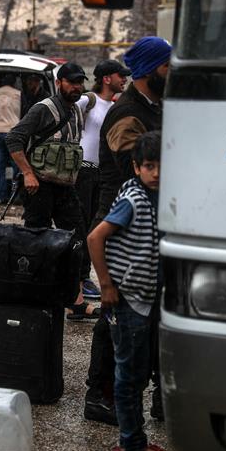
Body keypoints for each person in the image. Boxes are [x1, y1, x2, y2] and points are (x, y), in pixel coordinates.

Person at [83, 36, 171, 427]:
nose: (173, 73)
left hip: (150, 223)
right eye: (168, 66)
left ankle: (155, 395)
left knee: (152, 314)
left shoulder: (157, 106)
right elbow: (130, 165)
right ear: (151, 69)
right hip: (120, 220)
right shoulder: (127, 114)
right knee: (115, 313)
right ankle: (100, 397)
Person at [87, 131, 181, 451]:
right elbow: (95, 237)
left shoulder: (158, 196)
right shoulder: (134, 199)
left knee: (136, 372)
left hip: (145, 298)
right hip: (129, 300)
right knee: (130, 374)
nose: (156, 172)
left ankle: (130, 437)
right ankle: (135, 449)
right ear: (135, 167)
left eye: (162, 166)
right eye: (148, 166)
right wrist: (106, 285)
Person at [6, 62, 89, 312]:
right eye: (72, 82)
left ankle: (76, 300)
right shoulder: (43, 109)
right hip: (39, 187)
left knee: (77, 240)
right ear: (59, 83)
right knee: (36, 242)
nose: (77, 87)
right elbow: (14, 138)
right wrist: (28, 173)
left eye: (80, 82)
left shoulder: (76, 111)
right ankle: (34, 294)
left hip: (65, 188)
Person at [68, 59, 131, 311]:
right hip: (83, 170)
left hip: (100, 174)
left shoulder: (114, 105)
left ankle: (84, 278)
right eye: (120, 75)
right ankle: (80, 281)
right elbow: (67, 117)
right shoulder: (88, 100)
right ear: (106, 78)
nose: (124, 79)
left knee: (94, 223)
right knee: (81, 225)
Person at [0, 73, 23, 203]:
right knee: (16, 164)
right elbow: (23, 112)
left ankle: (1, 196)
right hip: (12, 131)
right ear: (13, 82)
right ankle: (15, 195)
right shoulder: (18, 94)